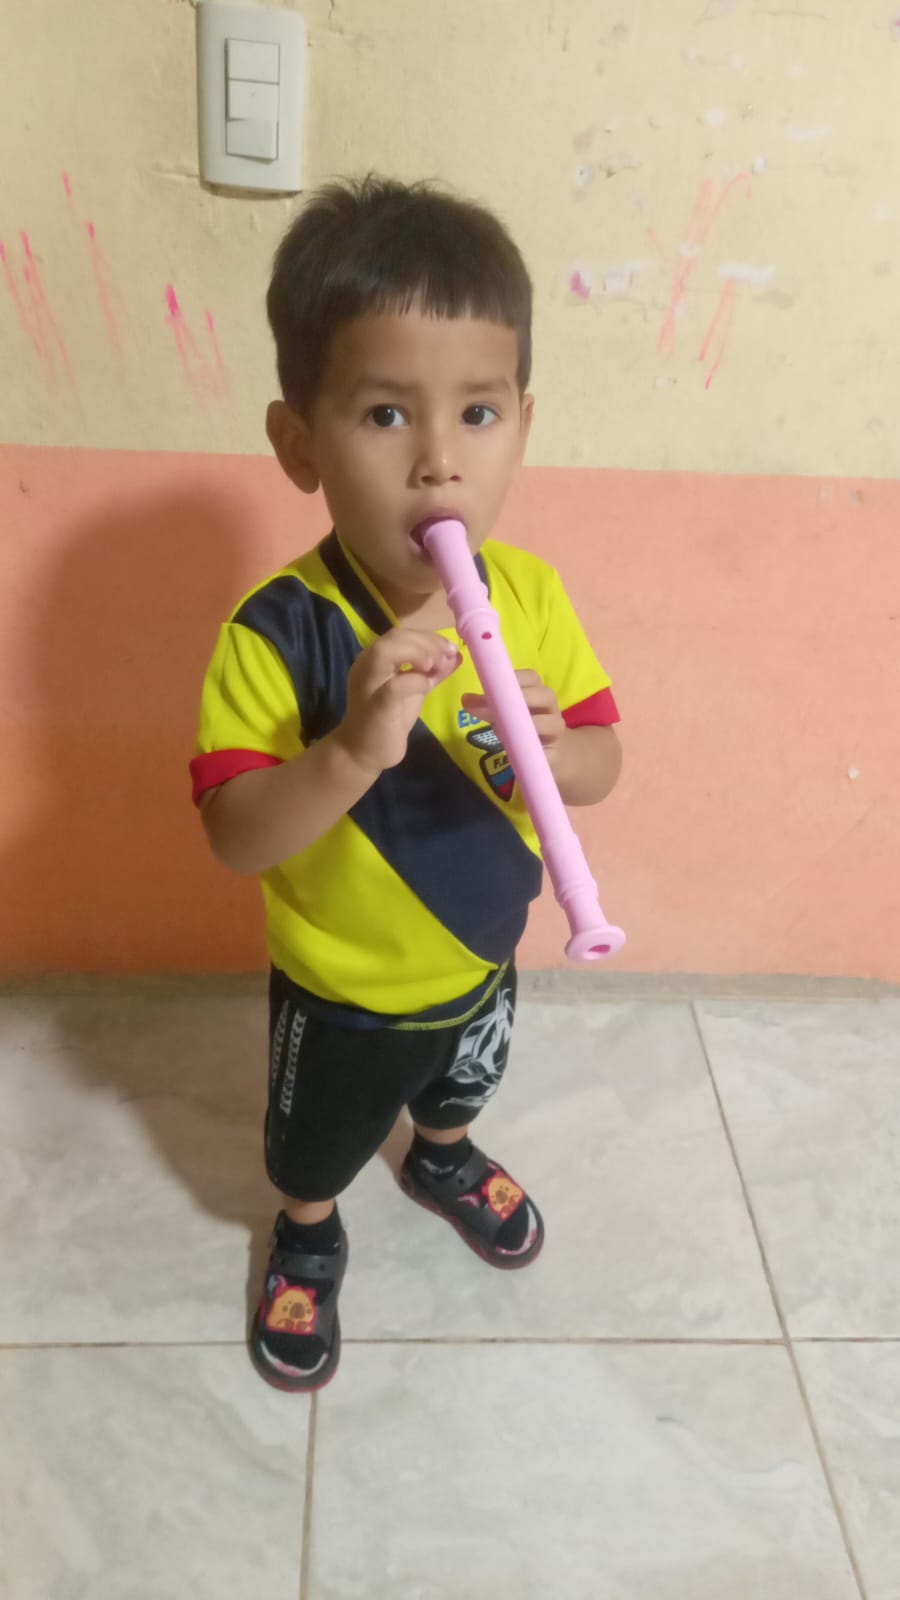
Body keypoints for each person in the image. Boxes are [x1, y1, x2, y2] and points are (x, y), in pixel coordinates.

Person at [190, 176, 622, 1392]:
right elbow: (234, 835)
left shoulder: (529, 597)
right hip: (339, 987)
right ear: (300, 445)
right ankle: (309, 1234)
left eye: (478, 413)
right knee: (315, 1144)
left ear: (522, 425)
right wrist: (348, 753)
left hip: (483, 955)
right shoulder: (275, 631)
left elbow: (602, 762)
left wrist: (558, 749)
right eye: (386, 414)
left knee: (459, 1082)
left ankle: (441, 1152)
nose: (440, 463)